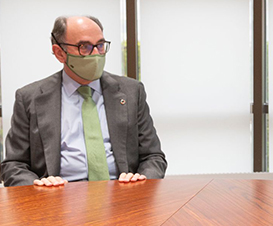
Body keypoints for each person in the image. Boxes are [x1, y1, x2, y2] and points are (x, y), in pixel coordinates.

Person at [1, 16, 167, 187]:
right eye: (84, 47)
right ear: (59, 53)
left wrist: (141, 181)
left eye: (100, 45)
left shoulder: (132, 91)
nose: (96, 54)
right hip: (57, 200)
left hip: (122, 195)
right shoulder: (30, 98)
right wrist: (38, 187)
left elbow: (153, 157)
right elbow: (13, 166)